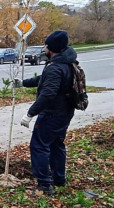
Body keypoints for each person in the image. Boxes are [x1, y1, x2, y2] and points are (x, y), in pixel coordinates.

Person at [14, 30, 76, 195]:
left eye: (46, 45)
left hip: (52, 114)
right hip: (65, 112)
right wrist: (23, 83)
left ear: (52, 48)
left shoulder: (55, 67)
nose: (44, 48)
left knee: (39, 146)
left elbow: (48, 94)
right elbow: (43, 80)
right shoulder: (67, 63)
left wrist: (30, 114)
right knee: (57, 145)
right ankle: (59, 179)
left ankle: (44, 185)